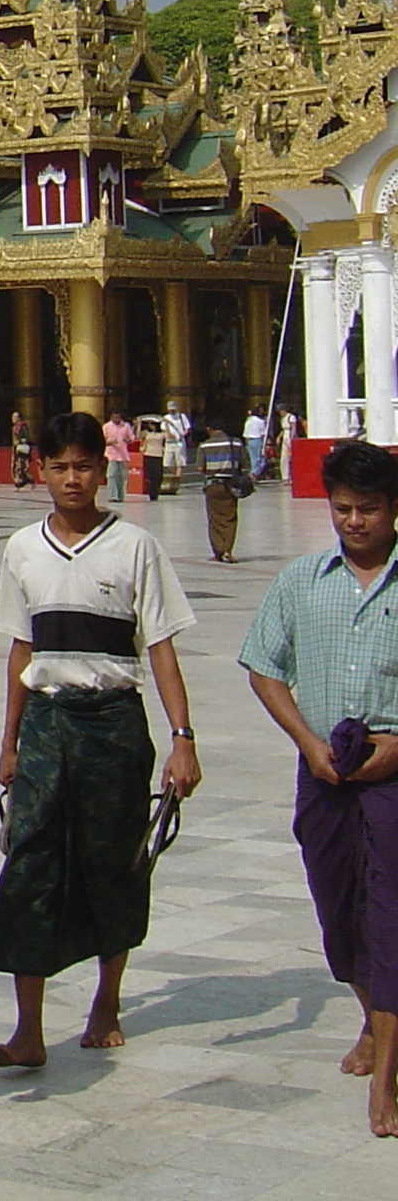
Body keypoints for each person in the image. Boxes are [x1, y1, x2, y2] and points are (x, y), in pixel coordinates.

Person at [0, 411, 200, 1069]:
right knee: (30, 863)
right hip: (49, 719)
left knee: (115, 860)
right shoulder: (22, 548)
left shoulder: (135, 547)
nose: (72, 478)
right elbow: (22, 647)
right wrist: (9, 740)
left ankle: (106, 999)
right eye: (59, 467)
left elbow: (159, 647)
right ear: (39, 471)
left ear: (101, 469)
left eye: (83, 466)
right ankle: (28, 1028)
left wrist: (182, 737)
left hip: (113, 721)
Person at [239, 438, 398, 1138]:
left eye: (368, 509)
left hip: (394, 773)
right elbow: (264, 667)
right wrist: (307, 743)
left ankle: (387, 1080)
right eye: (343, 509)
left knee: (390, 917)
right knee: (339, 911)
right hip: (325, 769)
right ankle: (374, 1017)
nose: (355, 522)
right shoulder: (303, 580)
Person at [199, 423, 252, 562]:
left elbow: (200, 467)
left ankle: (218, 551)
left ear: (209, 428)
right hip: (231, 486)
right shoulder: (236, 443)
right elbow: (245, 464)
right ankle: (228, 550)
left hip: (213, 487)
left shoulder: (204, 445)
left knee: (215, 520)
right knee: (230, 518)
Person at [103, 410, 136, 505]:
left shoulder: (125, 426)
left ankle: (120, 496)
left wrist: (128, 440)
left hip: (122, 455)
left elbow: (132, 438)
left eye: (118, 417)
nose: (116, 419)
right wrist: (110, 442)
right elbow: (102, 440)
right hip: (111, 454)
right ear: (111, 417)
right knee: (111, 475)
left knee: (122, 477)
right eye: (115, 417)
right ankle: (113, 495)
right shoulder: (106, 427)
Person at [139, 407, 169, 502]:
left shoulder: (161, 434)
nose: (150, 426)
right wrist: (139, 424)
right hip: (148, 454)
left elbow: (169, 436)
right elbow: (138, 435)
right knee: (149, 476)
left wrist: (167, 424)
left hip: (158, 455)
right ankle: (151, 493)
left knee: (158, 475)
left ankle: (156, 491)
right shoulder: (147, 433)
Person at [245, 407, 272, 482]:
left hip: (249, 440)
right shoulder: (260, 421)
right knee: (261, 459)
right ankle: (254, 473)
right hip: (257, 440)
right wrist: (265, 443)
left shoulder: (248, 421)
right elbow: (263, 434)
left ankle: (253, 474)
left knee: (253, 459)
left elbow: (245, 434)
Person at [10, 412, 33, 490]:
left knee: (22, 467)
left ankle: (25, 481)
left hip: (22, 449)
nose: (13, 419)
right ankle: (18, 482)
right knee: (15, 466)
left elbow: (27, 438)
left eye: (15, 417)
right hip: (15, 449)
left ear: (19, 418)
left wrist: (20, 441)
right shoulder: (14, 427)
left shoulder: (23, 427)